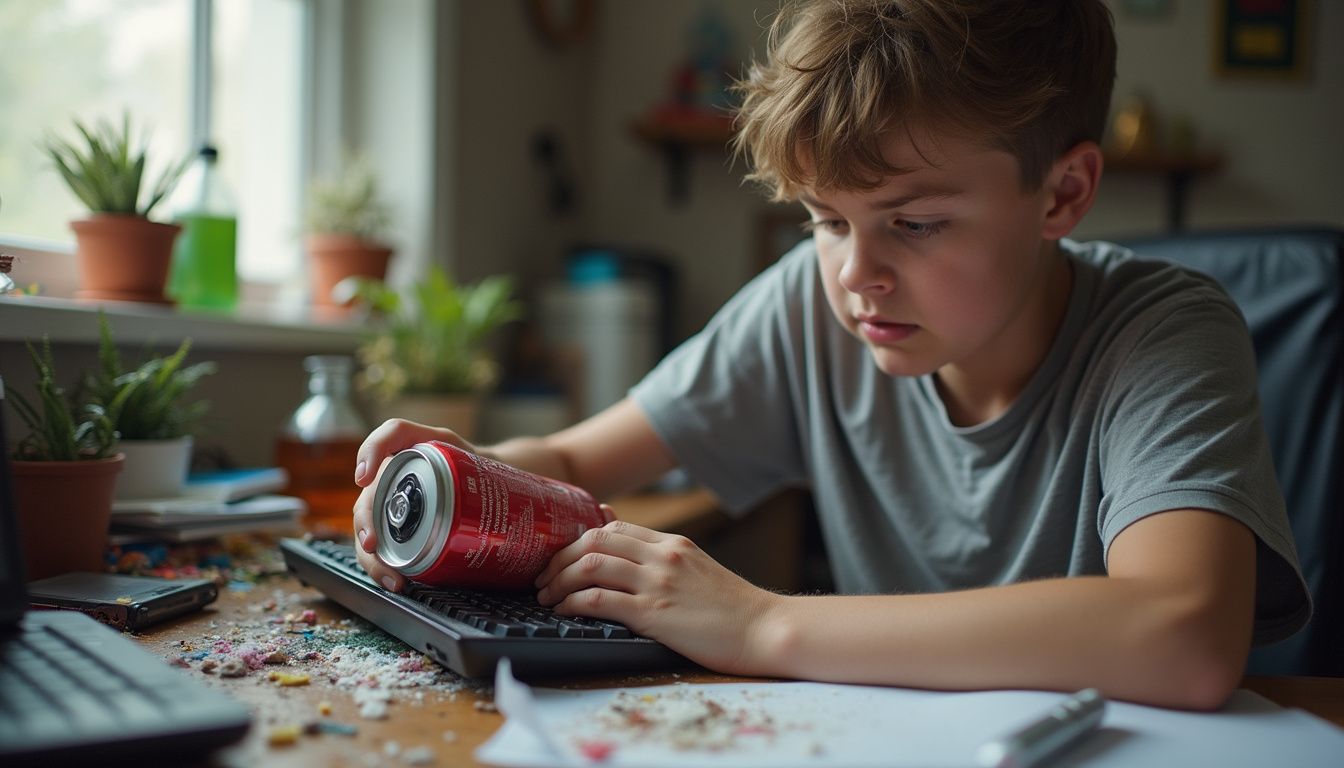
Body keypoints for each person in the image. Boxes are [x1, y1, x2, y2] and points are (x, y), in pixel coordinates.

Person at [352, 0, 1308, 709]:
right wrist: (459, 484)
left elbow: (1183, 633)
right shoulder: (812, 309)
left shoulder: (1164, 331)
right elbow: (572, 463)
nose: (858, 274)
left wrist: (762, 621)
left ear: (1062, 193)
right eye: (823, 220)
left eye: (918, 223)